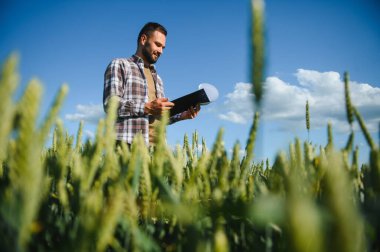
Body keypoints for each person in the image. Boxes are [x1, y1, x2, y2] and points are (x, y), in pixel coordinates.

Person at [103, 22, 200, 146]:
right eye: (158, 45)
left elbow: (159, 116)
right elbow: (110, 104)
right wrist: (146, 107)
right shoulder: (120, 64)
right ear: (143, 40)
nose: (161, 51)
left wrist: (182, 115)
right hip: (129, 144)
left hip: (158, 149)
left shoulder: (158, 79)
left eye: (163, 48)